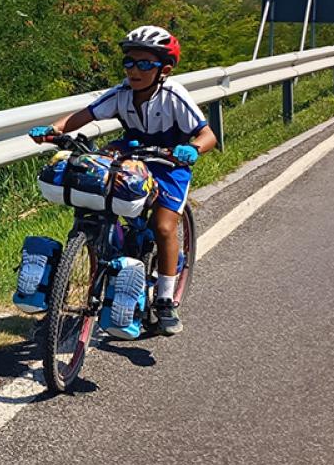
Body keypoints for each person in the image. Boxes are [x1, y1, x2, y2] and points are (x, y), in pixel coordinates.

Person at [28, 25, 217, 335]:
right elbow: (84, 116)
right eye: (129, 62)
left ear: (164, 69)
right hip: (132, 157)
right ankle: (96, 276)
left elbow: (207, 134)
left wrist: (193, 149)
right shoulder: (121, 93)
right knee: (96, 201)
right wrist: (54, 130)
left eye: (144, 64)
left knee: (163, 226)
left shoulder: (173, 95)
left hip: (170, 162)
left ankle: (166, 300)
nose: (134, 70)